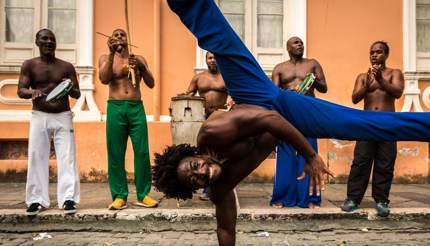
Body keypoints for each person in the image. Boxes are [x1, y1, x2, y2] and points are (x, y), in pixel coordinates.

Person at [157, 0, 430, 244]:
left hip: (261, 97)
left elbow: (269, 117)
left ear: (194, 153)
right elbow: (226, 228)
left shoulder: (214, 132)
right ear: (194, 188)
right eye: (194, 179)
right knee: (362, 126)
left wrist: (310, 156)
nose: (201, 172)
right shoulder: (220, 187)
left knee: (220, 40)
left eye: (194, 166)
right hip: (278, 118)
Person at [17, 29, 81, 216]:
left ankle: (68, 199)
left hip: (63, 115)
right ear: (37, 42)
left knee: (67, 157)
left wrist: (69, 85)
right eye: (44, 38)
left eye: (52, 39)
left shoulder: (66, 66)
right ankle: (36, 200)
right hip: (40, 115)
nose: (49, 42)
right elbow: (21, 90)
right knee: (37, 156)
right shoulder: (29, 65)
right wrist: (32, 92)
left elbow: (77, 94)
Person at [341, 41, 404, 217]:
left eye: (378, 52)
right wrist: (368, 83)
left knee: (385, 162)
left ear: (386, 55)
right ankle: (353, 199)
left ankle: (382, 200)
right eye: (372, 52)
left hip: (388, 122)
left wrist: (381, 80)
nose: (374, 55)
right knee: (361, 161)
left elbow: (398, 92)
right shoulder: (362, 76)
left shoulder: (394, 73)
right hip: (366, 122)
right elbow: (355, 98)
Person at [98, 29, 158, 210]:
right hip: (115, 107)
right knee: (115, 152)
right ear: (110, 40)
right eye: (115, 35)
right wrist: (110, 54)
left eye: (122, 35)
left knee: (142, 151)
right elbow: (103, 78)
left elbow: (151, 83)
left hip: (135, 107)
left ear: (127, 39)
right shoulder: (104, 58)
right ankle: (119, 196)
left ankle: (143, 194)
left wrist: (141, 66)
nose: (118, 37)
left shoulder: (137, 58)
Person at [271, 36, 328, 209]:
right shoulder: (280, 68)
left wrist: (314, 80)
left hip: (308, 114)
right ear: (288, 48)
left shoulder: (312, 64)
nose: (300, 45)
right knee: (286, 156)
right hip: (287, 115)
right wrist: (288, 92)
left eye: (301, 42)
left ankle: (310, 199)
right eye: (296, 43)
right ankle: (282, 197)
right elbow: (274, 95)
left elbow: (324, 87)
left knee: (309, 154)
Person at [180, 51, 228, 200]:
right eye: (210, 58)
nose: (213, 60)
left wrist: (232, 103)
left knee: (221, 153)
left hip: (222, 118)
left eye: (215, 57)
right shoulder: (198, 78)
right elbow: (189, 95)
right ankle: (207, 189)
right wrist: (181, 99)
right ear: (206, 60)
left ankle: (222, 187)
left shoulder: (226, 76)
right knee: (206, 154)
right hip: (204, 119)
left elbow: (236, 94)